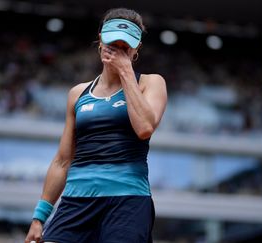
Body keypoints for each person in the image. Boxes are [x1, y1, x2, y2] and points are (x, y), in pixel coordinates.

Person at [25, 8, 167, 243]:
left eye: (125, 47)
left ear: (136, 49)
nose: (118, 51)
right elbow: (62, 160)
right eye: (113, 43)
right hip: (76, 200)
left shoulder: (151, 83)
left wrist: (125, 72)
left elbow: (144, 128)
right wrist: (39, 217)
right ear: (101, 40)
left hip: (127, 200)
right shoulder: (78, 94)